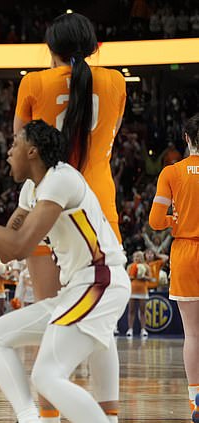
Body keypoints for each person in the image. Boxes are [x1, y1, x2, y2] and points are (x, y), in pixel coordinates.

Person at [0, 120, 130, 423]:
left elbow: (19, 246)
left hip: (100, 281)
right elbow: (6, 249)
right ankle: (29, 417)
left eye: (14, 144)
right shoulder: (32, 189)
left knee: (47, 375)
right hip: (79, 288)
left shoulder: (61, 179)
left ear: (32, 151)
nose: (8, 152)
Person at [13, 12, 126, 421]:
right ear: (94, 47)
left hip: (47, 202)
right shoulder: (116, 82)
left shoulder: (33, 82)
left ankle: (48, 415)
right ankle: (108, 415)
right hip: (98, 205)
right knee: (99, 320)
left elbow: (21, 152)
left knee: (50, 310)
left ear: (51, 48)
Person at [149, 113, 199, 423]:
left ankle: (197, 403)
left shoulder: (172, 172)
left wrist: (173, 221)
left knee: (193, 334)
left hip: (185, 252)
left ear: (186, 138)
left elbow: (155, 221)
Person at [125, 251, 151, 338]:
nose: (137, 258)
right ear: (133, 258)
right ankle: (130, 329)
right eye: (136, 257)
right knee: (131, 310)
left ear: (142, 257)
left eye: (139, 257)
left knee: (143, 311)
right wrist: (132, 276)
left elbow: (151, 278)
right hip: (132, 290)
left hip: (142, 290)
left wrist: (144, 277)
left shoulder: (146, 266)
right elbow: (126, 277)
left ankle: (143, 329)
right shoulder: (130, 266)